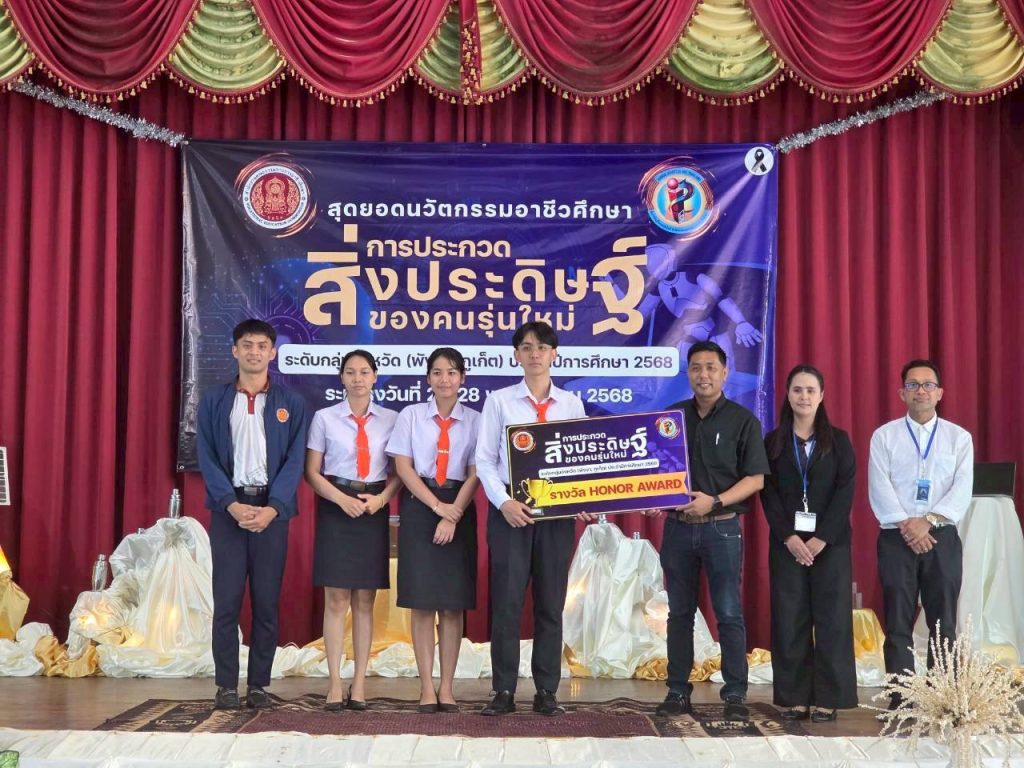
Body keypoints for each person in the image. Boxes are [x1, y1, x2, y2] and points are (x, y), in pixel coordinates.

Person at [651, 340, 769, 721]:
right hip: (678, 529)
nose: (703, 375)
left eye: (711, 367)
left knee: (729, 613)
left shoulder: (743, 421)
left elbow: (755, 479)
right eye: (696, 368)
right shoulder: (670, 417)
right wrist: (654, 497)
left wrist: (714, 501)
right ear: (688, 373)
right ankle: (677, 690)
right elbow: (655, 470)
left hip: (722, 529)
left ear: (725, 372)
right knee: (679, 614)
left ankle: (734, 694)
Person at [474, 321, 587, 717]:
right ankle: (503, 690)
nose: (534, 353)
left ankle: (546, 691)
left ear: (554, 354)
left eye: (541, 347)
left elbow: (580, 463)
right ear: (516, 355)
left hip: (556, 513)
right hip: (511, 510)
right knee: (506, 603)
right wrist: (504, 502)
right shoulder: (499, 401)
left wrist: (582, 499)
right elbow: (484, 460)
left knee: (550, 603)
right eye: (526, 347)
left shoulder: (571, 405)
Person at [196, 318, 307, 710]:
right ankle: (226, 685)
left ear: (273, 352)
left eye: (262, 346)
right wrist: (230, 503)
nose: (254, 352)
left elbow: (295, 461)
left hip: (271, 514)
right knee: (226, 602)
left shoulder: (291, 403)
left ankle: (258, 684)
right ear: (235, 350)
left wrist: (273, 508)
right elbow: (206, 456)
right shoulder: (214, 400)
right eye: (247, 345)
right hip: (229, 511)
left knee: (266, 603)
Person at [868, 359, 973, 706]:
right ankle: (901, 698)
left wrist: (926, 521)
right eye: (913, 385)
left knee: (943, 620)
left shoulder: (959, 438)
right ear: (902, 393)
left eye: (928, 385)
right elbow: (879, 486)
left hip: (941, 536)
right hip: (896, 537)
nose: (921, 391)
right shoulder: (884, 436)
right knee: (897, 620)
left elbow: (962, 488)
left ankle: (942, 697)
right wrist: (908, 525)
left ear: (940, 393)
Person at [305, 350, 401, 711]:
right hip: (336, 505)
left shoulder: (392, 419)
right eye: (350, 372)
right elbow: (312, 472)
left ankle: (359, 683)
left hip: (373, 506)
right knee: (336, 599)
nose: (357, 379)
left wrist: (383, 499)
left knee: (364, 600)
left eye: (364, 372)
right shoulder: (324, 418)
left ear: (375, 376)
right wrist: (340, 500)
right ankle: (334, 681)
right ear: (341, 377)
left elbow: (400, 472)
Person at [386, 347, 481, 713]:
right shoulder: (411, 415)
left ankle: (447, 687)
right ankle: (426, 687)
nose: (445, 379)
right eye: (438, 372)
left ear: (463, 378)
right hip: (421, 506)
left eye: (452, 372)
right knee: (423, 603)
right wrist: (438, 508)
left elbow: (476, 472)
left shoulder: (475, 420)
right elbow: (403, 467)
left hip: (460, 506)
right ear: (428, 378)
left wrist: (453, 513)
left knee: (453, 605)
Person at [760, 365, 857, 722]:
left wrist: (821, 538)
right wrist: (789, 536)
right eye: (797, 390)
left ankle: (829, 698)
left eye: (810, 390)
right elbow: (768, 494)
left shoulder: (839, 441)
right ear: (787, 395)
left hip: (830, 545)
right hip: (786, 544)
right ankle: (795, 698)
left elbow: (845, 492)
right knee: (790, 618)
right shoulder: (773, 442)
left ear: (822, 396)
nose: (804, 396)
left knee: (832, 619)